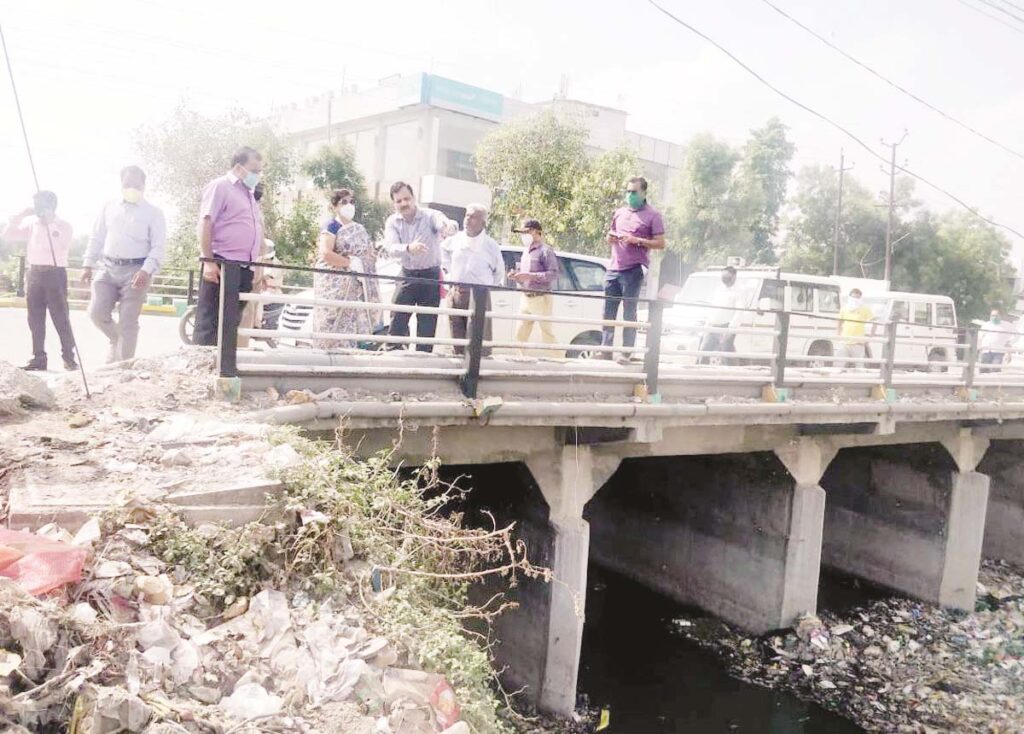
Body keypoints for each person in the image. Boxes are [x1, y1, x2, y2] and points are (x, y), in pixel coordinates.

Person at [82, 166, 166, 363]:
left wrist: (146, 270)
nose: (132, 189)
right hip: (107, 267)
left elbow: (158, 247)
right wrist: (87, 264)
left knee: (128, 321)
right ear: (121, 184)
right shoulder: (108, 207)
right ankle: (115, 338)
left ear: (144, 186)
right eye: (127, 184)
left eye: (137, 185)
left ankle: (123, 366)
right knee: (96, 313)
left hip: (136, 271)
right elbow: (97, 237)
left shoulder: (153, 213)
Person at [193, 146, 264, 346]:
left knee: (230, 322)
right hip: (221, 263)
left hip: (244, 267)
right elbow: (206, 222)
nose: (257, 175)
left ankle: (223, 369)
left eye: (260, 170)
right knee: (210, 321)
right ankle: (203, 368)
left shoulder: (249, 194)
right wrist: (208, 261)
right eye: (254, 170)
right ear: (240, 167)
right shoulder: (220, 187)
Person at [4, 191, 76, 371]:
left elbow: (63, 244)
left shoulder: (63, 225)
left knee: (61, 318)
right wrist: (20, 216)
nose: (37, 208)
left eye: (40, 204)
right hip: (34, 273)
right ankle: (39, 357)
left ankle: (68, 356)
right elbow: (7, 235)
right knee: (35, 318)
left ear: (51, 205)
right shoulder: (31, 226)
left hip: (55, 273)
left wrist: (50, 223)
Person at [383, 181, 458, 352]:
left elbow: (445, 224)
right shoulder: (392, 222)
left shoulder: (430, 215)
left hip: (430, 276)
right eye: (399, 201)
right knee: (397, 318)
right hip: (407, 275)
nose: (404, 204)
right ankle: (392, 357)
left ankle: (423, 362)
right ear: (394, 203)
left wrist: (448, 227)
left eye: (407, 199)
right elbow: (391, 248)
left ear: (414, 198)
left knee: (427, 324)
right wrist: (409, 248)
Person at [599, 176, 665, 359]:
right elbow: (610, 234)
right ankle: (605, 351)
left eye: (634, 192)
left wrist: (638, 241)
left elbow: (660, 243)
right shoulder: (620, 212)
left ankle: (626, 353)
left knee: (629, 311)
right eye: (628, 191)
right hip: (613, 268)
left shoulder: (653, 215)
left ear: (644, 193)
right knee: (608, 311)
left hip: (633, 269)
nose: (630, 195)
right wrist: (610, 238)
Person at [314, 188, 378, 349]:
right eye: (344, 202)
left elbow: (369, 254)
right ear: (334, 206)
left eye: (351, 202)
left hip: (356, 287)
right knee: (332, 329)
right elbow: (325, 253)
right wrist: (349, 263)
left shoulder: (359, 229)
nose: (349, 205)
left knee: (353, 333)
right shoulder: (332, 226)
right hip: (334, 289)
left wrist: (363, 264)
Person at [441, 204, 502, 356]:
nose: (468, 219)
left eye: (473, 216)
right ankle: (457, 373)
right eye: (467, 215)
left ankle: (477, 376)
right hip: (456, 293)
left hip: (478, 295)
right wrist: (450, 274)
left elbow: (499, 272)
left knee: (478, 342)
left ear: (483, 222)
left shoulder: (490, 245)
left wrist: (485, 287)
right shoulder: (455, 240)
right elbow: (443, 251)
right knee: (457, 339)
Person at [510, 218, 559, 351]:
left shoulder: (546, 251)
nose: (523, 236)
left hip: (541, 297)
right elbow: (525, 275)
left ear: (536, 232)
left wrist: (531, 276)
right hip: (526, 297)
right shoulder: (526, 251)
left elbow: (553, 274)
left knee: (547, 333)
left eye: (526, 232)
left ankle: (558, 363)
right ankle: (520, 361)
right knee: (520, 334)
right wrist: (517, 276)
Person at [698, 266, 743, 364]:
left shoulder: (739, 292)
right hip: (712, 326)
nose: (724, 278)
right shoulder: (718, 290)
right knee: (703, 352)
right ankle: (701, 376)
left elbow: (739, 311)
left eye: (727, 276)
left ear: (734, 276)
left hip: (726, 327)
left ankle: (729, 377)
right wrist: (707, 324)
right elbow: (712, 308)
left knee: (726, 355)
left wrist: (731, 328)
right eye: (723, 276)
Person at [836, 288, 875, 367]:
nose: (855, 299)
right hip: (844, 342)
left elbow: (875, 322)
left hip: (858, 343)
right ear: (850, 297)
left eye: (857, 297)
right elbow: (839, 322)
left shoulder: (864, 309)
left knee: (859, 366)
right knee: (838, 365)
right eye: (853, 297)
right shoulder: (844, 308)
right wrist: (838, 335)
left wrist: (870, 337)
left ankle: (860, 379)